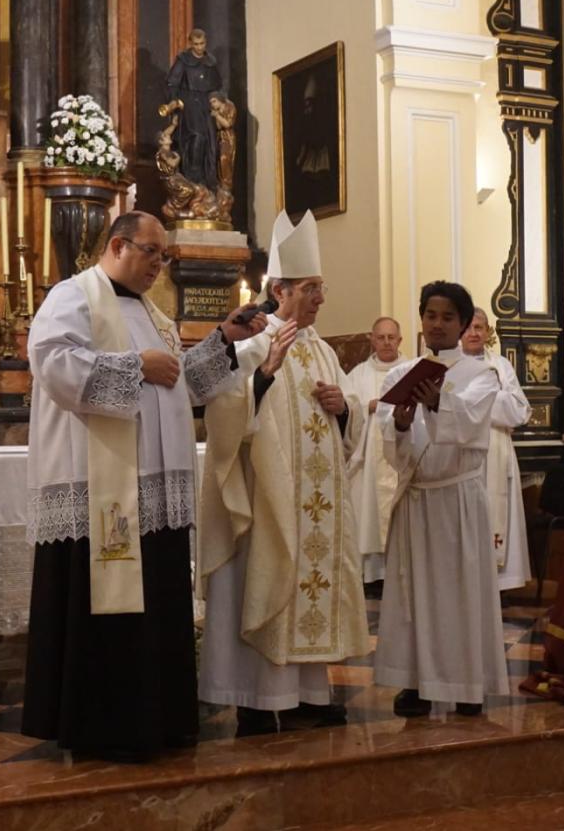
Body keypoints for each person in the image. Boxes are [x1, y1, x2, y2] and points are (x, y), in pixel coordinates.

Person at [22, 211, 264, 762]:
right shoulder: (73, 295)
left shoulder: (152, 312)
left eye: (164, 256)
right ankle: (103, 726)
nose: (161, 264)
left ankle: (159, 718)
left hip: (154, 491)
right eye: (153, 252)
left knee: (155, 606)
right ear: (117, 245)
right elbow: (52, 360)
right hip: (102, 490)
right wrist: (135, 367)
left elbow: (181, 382)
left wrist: (224, 339)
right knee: (103, 613)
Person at [198, 210, 369, 736]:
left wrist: (345, 409)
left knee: (311, 588)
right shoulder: (251, 343)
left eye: (321, 287)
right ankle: (257, 697)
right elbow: (222, 411)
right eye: (311, 288)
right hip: (266, 496)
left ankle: (309, 695)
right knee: (269, 581)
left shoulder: (320, 348)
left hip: (315, 501)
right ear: (280, 288)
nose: (320, 298)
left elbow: (352, 417)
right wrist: (264, 377)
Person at [376, 281, 506, 717]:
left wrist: (436, 403)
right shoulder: (400, 375)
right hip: (417, 498)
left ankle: (468, 683)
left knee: (459, 595)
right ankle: (417, 682)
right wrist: (399, 423)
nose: (437, 324)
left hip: (457, 499)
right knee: (416, 597)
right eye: (430, 315)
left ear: (465, 324)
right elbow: (389, 443)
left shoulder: (482, 374)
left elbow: (468, 423)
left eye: (448, 317)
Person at [460, 307, 532, 592]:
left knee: (497, 515)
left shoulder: (501, 365)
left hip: (497, 451)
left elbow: (519, 411)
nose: (474, 333)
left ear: (488, 332)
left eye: (480, 327)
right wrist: (487, 399)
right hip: (462, 456)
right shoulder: (448, 366)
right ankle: (466, 585)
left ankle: (499, 587)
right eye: (468, 327)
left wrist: (480, 399)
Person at [344, 317, 409, 590]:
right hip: (368, 460)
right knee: (368, 513)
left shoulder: (411, 370)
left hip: (401, 458)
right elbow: (346, 410)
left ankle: (403, 572)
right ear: (371, 339)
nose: (386, 342)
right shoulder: (358, 375)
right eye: (380, 337)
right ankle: (372, 575)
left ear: (399, 340)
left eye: (391, 337)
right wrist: (365, 407)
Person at [163, 29, 223, 191]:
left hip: (206, 104)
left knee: (211, 143)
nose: (199, 47)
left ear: (206, 42)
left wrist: (219, 104)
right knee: (197, 136)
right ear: (190, 43)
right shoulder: (183, 60)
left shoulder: (210, 61)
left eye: (202, 43)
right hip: (188, 103)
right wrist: (174, 103)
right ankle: (193, 176)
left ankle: (206, 179)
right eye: (196, 44)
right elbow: (172, 84)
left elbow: (217, 86)